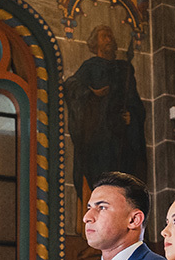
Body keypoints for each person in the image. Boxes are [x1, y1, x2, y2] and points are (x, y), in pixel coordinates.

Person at [62, 26, 147, 210]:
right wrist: (91, 93)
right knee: (100, 177)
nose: (109, 39)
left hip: (120, 134)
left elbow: (134, 101)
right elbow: (71, 86)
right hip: (98, 135)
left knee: (123, 179)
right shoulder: (90, 67)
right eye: (104, 36)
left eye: (110, 36)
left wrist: (131, 116)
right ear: (95, 43)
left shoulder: (124, 69)